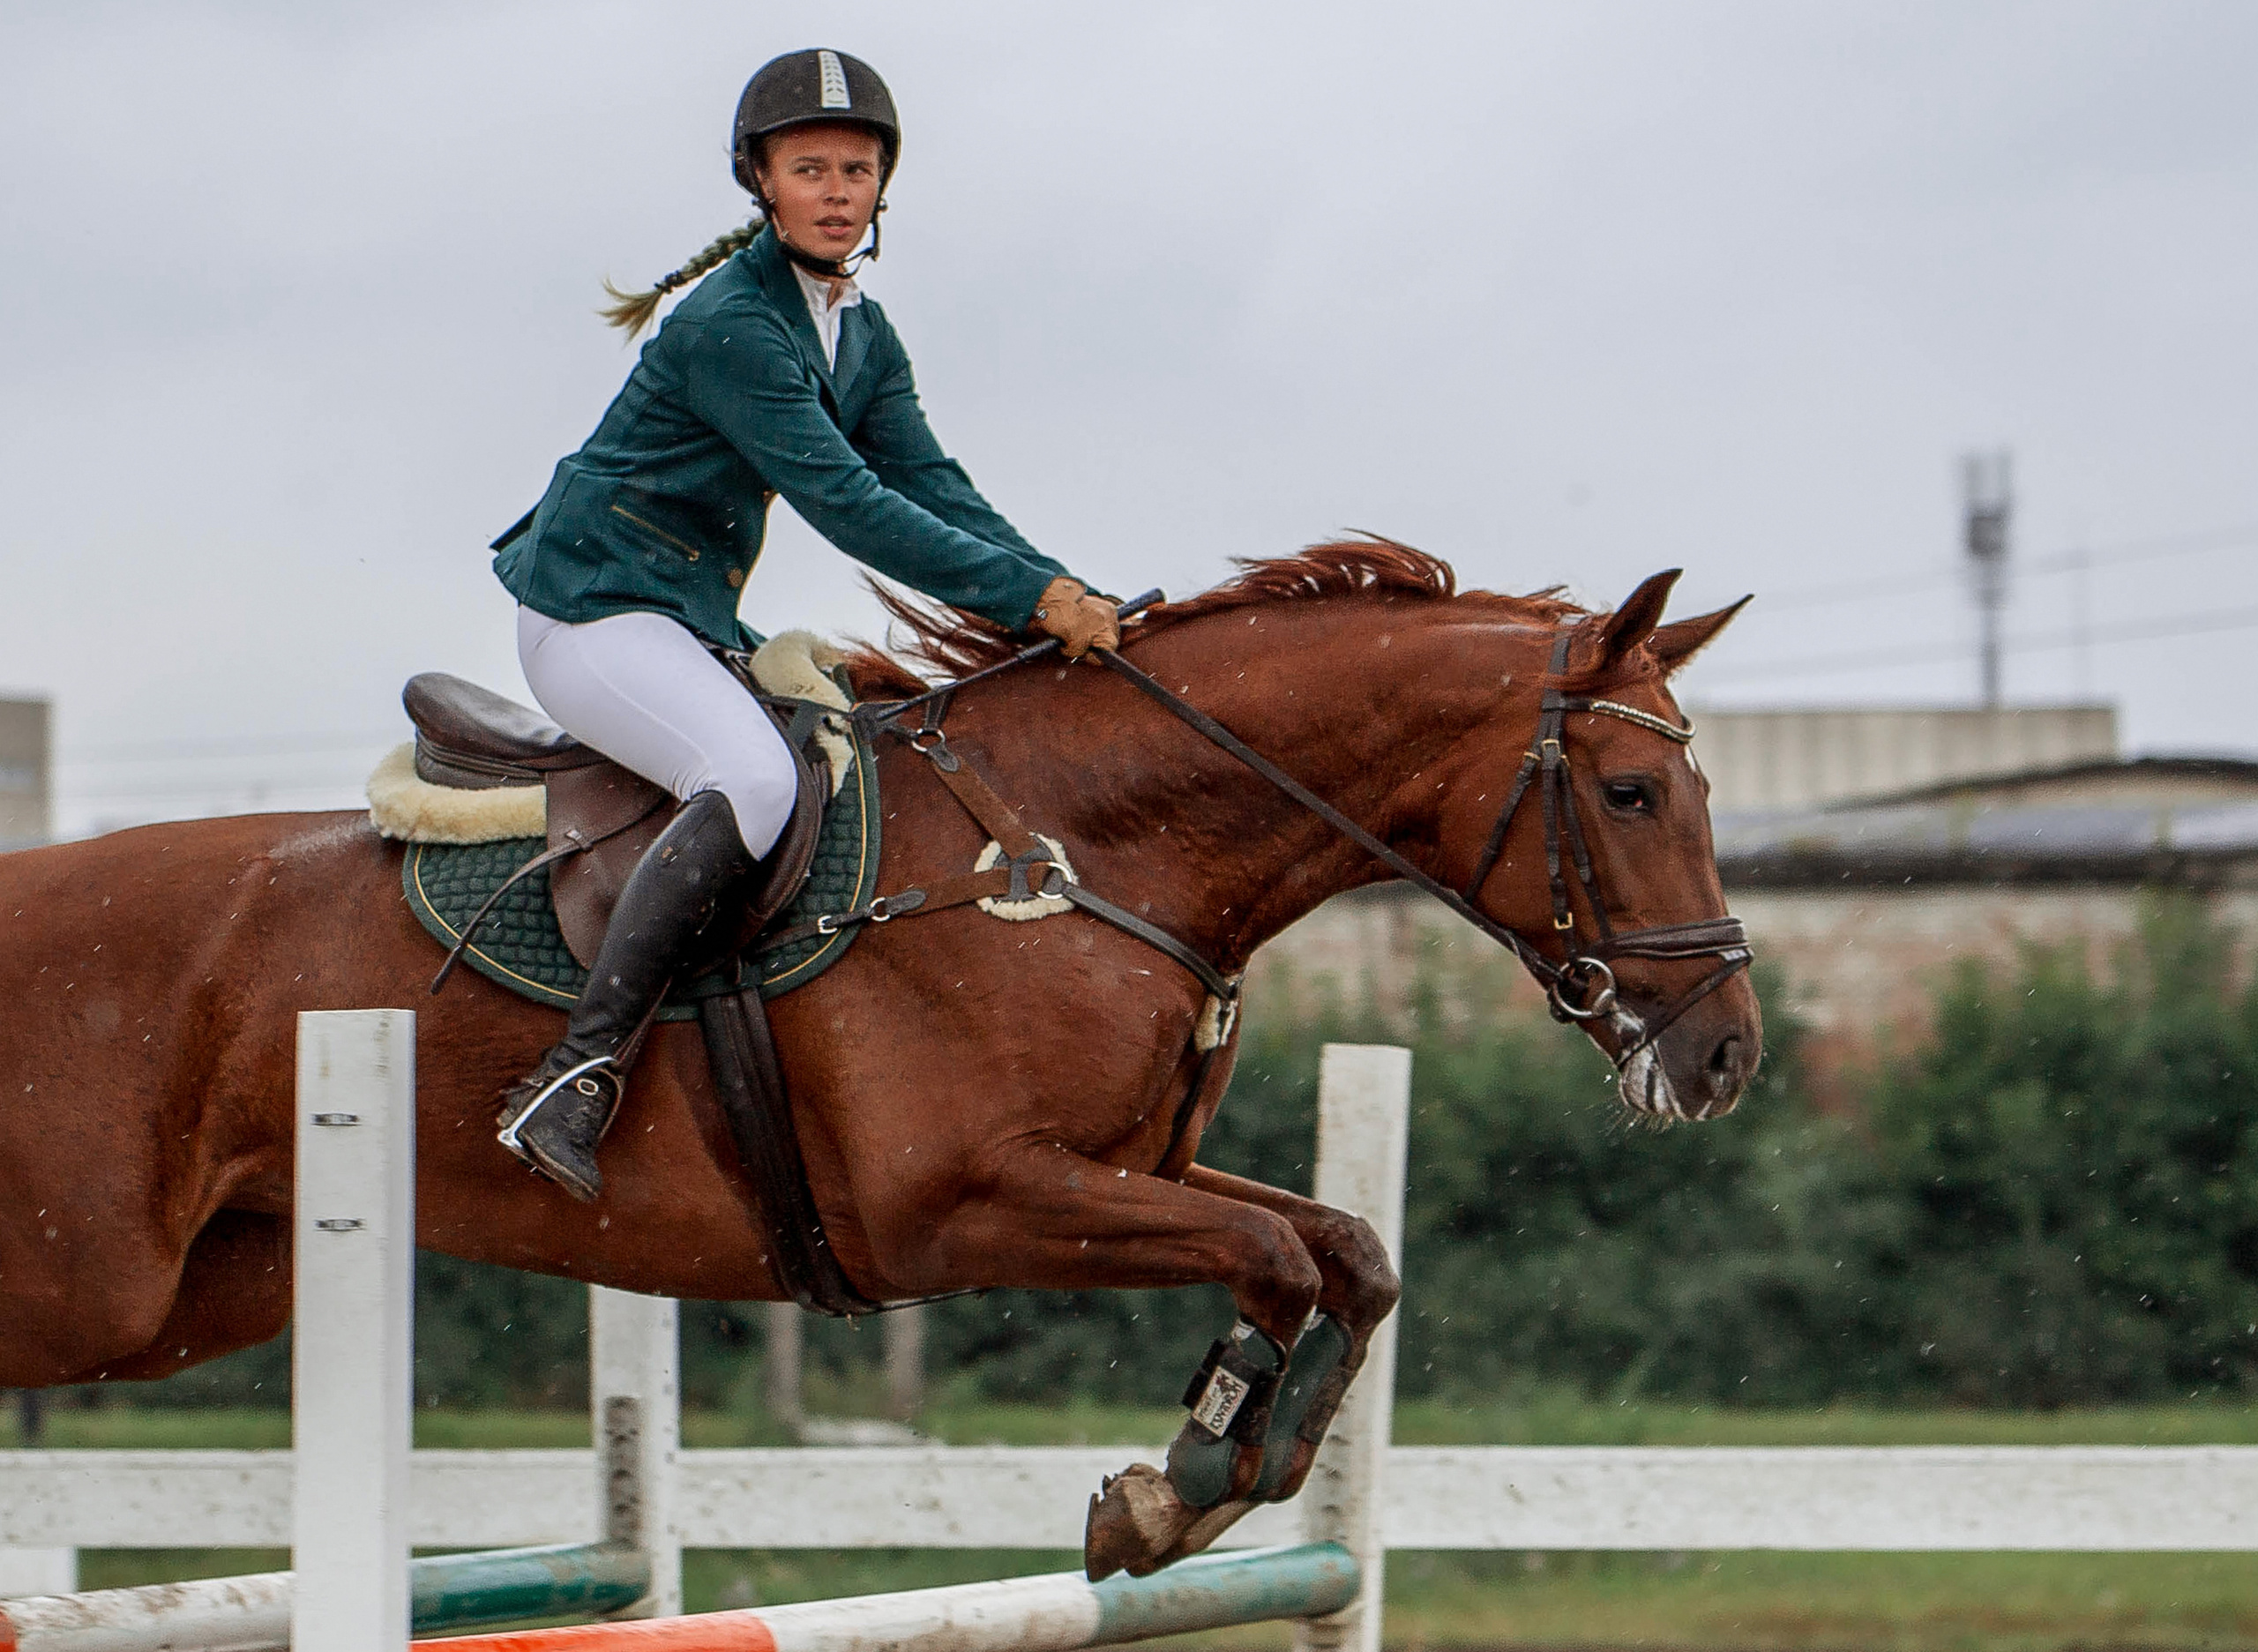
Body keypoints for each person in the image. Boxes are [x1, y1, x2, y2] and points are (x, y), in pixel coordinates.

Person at [489, 48, 1120, 1200]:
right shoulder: (734, 324)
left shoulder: (859, 334)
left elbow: (934, 485)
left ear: (884, 187)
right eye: (811, 167)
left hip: (680, 613)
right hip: (588, 613)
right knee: (759, 780)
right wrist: (1027, 600)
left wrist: (1071, 593)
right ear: (762, 184)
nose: (837, 191)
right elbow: (853, 508)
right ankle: (574, 1075)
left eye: (858, 169)